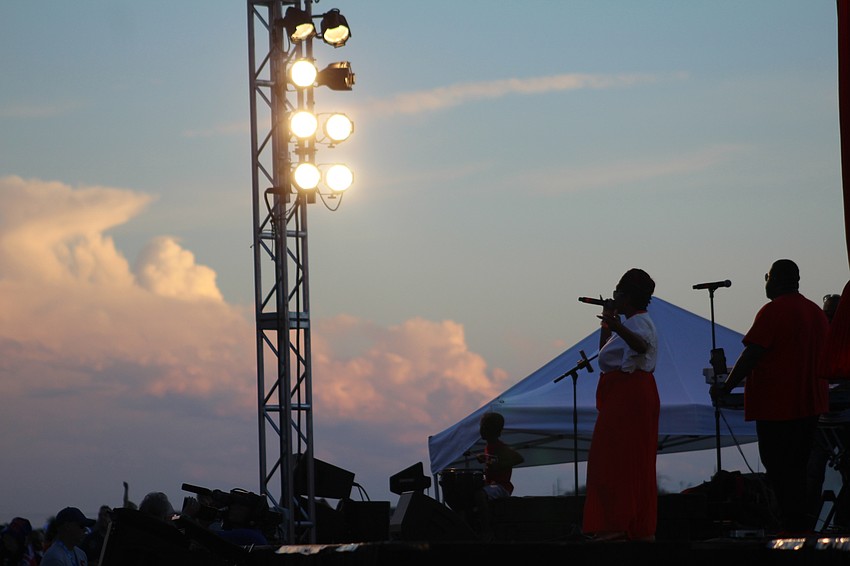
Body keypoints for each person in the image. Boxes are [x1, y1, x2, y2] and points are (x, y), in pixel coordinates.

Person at [711, 259, 829, 534]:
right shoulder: (815, 313)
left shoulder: (773, 311)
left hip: (778, 407)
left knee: (778, 470)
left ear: (775, 280)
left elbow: (752, 353)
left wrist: (726, 387)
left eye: (767, 276)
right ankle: (800, 528)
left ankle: (788, 528)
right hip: (810, 405)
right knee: (798, 471)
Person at [581, 268, 659, 542]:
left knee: (618, 460)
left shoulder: (639, 324)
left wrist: (617, 326)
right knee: (614, 460)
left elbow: (641, 347)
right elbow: (604, 356)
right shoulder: (629, 324)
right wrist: (609, 324)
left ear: (626, 297)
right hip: (622, 396)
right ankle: (618, 522)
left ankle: (620, 523)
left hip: (629, 397)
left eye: (617, 293)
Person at [466, 411, 524, 540]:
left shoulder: (501, 447)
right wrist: (484, 458)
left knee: (479, 495)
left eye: (484, 427)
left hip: (502, 486)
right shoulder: (490, 447)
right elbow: (493, 459)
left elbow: (519, 458)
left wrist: (501, 465)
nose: (481, 430)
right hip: (492, 485)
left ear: (493, 430)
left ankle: (487, 531)